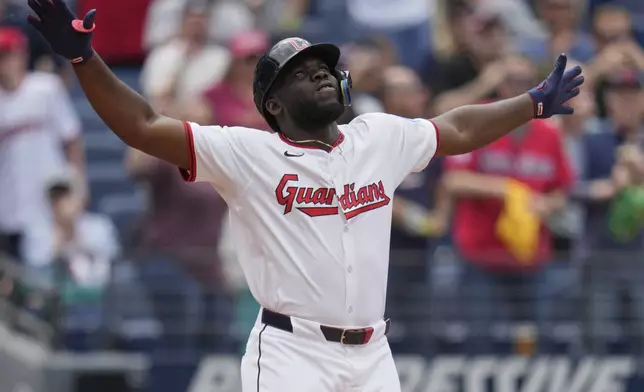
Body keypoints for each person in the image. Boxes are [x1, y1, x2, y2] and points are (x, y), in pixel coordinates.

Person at [26, 1, 584, 390]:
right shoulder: (247, 153)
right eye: (299, 73)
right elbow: (146, 125)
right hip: (294, 353)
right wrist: (84, 59)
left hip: (372, 354)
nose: (319, 74)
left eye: (323, 67)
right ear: (273, 103)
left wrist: (531, 102)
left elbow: (455, 128)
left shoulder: (378, 136)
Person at [0, 26, 84, 261]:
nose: (4, 62)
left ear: (23, 55)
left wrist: (79, 186)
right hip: (9, 203)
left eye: (8, 54)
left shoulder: (45, 87)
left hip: (51, 198)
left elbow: (72, 139)